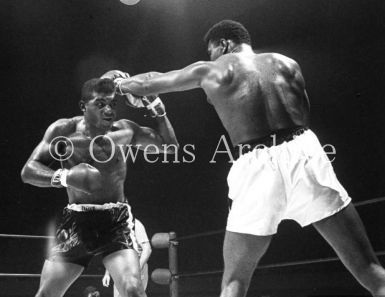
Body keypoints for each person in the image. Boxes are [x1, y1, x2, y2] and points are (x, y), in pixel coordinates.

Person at [102, 20, 385, 297]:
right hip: (307, 152)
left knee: (235, 281)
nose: (210, 57)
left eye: (211, 51)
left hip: (257, 165)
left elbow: (152, 82)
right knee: (369, 268)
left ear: (224, 44)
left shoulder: (212, 69)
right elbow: (303, 110)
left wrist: (119, 84)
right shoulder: (288, 63)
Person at [21, 77, 178, 297]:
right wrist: (65, 177)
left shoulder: (124, 131)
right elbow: (28, 171)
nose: (109, 110)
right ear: (84, 106)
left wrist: (156, 108)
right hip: (76, 222)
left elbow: (170, 148)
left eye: (113, 104)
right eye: (101, 104)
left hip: (115, 222)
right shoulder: (64, 131)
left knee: (133, 289)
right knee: (46, 294)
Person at [103, 218, 152, 296]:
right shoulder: (114, 226)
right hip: (119, 267)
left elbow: (147, 250)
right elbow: (113, 251)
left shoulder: (135, 224)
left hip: (134, 264)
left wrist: (137, 269)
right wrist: (107, 273)